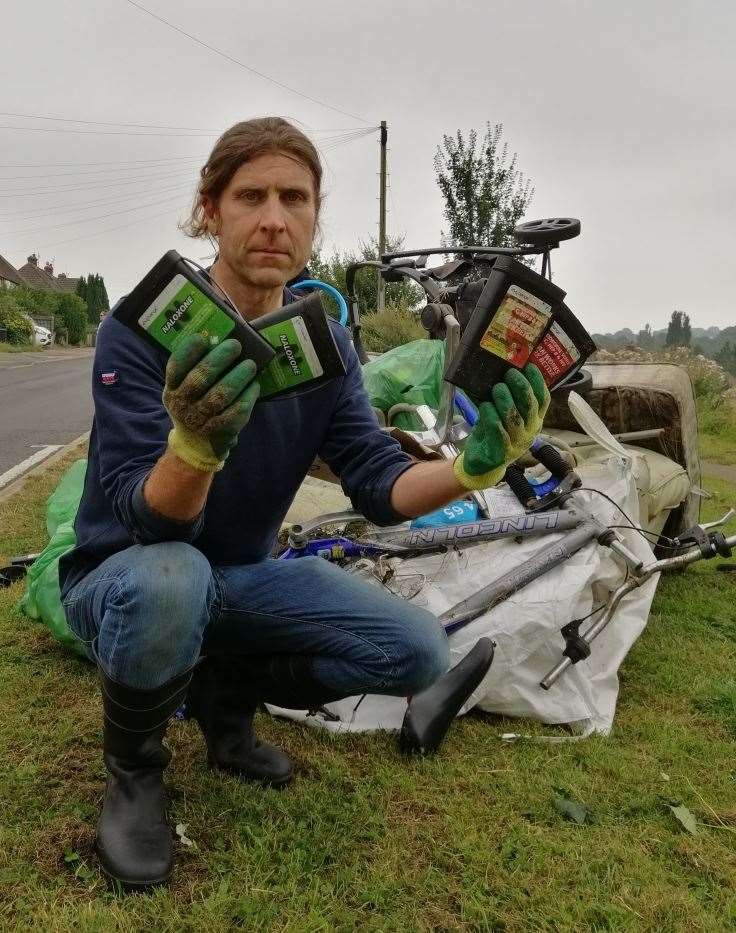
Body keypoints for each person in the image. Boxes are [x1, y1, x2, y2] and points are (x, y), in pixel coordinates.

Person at [60, 117, 549, 888]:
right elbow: (144, 517)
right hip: (125, 576)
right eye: (250, 195)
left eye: (296, 197)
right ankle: (135, 771)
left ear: (317, 215)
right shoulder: (148, 326)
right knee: (172, 575)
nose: (273, 218)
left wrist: (472, 470)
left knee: (418, 648)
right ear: (209, 209)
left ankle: (229, 696)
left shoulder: (324, 346)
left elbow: (379, 484)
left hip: (242, 581)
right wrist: (193, 447)